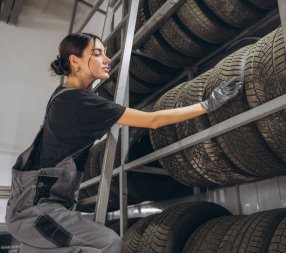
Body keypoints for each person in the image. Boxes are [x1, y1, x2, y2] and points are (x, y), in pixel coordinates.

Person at [5, 32, 243, 253]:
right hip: (35, 212)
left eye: (105, 52)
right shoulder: (79, 102)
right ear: (75, 61)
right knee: (109, 243)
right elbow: (154, 120)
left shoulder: (62, 95)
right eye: (97, 53)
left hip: (35, 210)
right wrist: (206, 105)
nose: (107, 58)